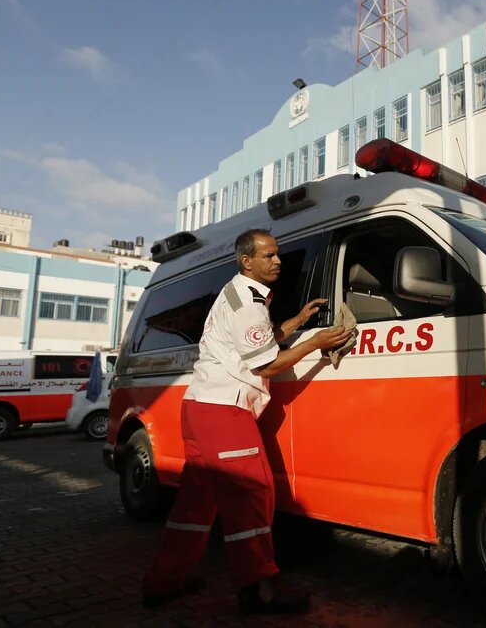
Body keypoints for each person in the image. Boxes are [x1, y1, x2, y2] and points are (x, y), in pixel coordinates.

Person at [141, 228, 351, 613]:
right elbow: (266, 364)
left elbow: (260, 342)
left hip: (202, 408)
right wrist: (316, 342)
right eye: (268, 255)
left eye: (277, 254)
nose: (278, 261)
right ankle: (259, 588)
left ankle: (165, 581)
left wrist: (297, 320)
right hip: (224, 412)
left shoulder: (239, 294)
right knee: (253, 494)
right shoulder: (248, 305)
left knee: (195, 503)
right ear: (246, 261)